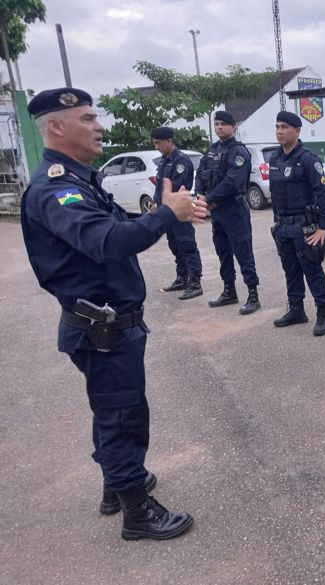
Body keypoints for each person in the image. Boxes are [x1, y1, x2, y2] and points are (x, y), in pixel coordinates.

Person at [20, 88, 202, 540]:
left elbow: (116, 227)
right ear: (57, 127)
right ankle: (137, 514)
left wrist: (162, 213)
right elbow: (108, 242)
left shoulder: (80, 180)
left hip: (106, 322)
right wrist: (165, 214)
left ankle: (115, 485)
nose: (99, 126)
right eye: (87, 118)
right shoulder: (56, 189)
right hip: (101, 327)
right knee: (122, 415)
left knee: (112, 410)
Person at [269, 111, 325, 336]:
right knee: (291, 271)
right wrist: (276, 224)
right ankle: (296, 309)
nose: (280, 131)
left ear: (297, 131)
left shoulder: (308, 159)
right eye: (277, 127)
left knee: (312, 270)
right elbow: (276, 195)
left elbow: (323, 193)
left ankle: (324, 315)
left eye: (285, 127)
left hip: (304, 226)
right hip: (283, 227)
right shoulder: (274, 159)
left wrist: (323, 227)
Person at [195, 111, 261, 314]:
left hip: (234, 209)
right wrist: (200, 195)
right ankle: (229, 291)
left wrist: (210, 199)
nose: (219, 127)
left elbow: (233, 181)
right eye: (216, 124)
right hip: (216, 211)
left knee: (243, 252)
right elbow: (200, 173)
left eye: (223, 124)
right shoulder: (212, 150)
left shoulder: (239, 151)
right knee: (223, 252)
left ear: (234, 127)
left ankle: (253, 295)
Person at [151, 126, 203, 300]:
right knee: (174, 245)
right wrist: (156, 202)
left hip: (179, 211)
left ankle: (195, 283)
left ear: (169, 141)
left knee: (187, 245)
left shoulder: (181, 161)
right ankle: (182, 278)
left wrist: (164, 205)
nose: (156, 146)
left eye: (159, 143)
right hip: (167, 212)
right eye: (155, 143)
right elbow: (161, 186)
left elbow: (177, 188)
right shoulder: (165, 161)